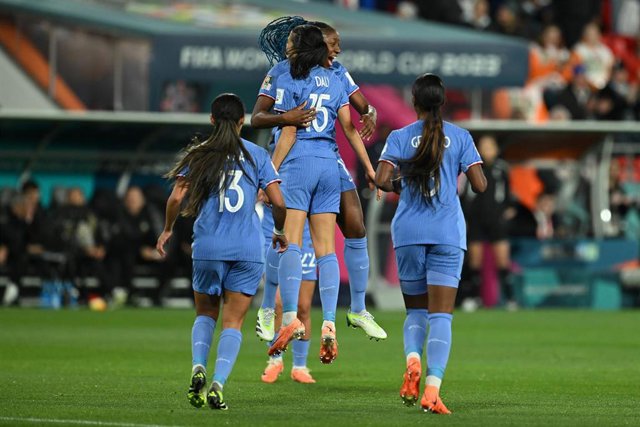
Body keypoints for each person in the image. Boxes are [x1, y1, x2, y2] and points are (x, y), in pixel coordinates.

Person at [252, 16, 386, 354]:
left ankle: (289, 318)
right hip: (329, 162)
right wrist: (369, 166)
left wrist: (268, 176)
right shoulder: (333, 79)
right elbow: (349, 126)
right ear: (320, 47)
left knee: (290, 244)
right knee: (327, 251)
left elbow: (287, 134)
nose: (338, 49)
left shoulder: (291, 79)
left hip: (297, 164)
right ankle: (328, 318)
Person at [156, 93, 287, 410]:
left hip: (208, 246)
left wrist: (169, 228)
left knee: (205, 314)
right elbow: (279, 202)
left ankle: (198, 366)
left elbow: (176, 199)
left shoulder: (200, 154)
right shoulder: (257, 155)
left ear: (212, 120)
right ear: (242, 121)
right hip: (247, 249)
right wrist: (280, 231)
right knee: (232, 323)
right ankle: (218, 384)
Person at [375, 74, 487, 414]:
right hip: (446, 234)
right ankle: (433, 390)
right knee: (442, 316)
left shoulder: (399, 137)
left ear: (414, 102)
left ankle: (412, 360)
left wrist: (400, 183)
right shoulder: (460, 136)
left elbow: (381, 180)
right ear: (443, 102)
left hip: (408, 233)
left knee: (416, 311)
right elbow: (480, 185)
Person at [461, 135, 516, 310]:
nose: (486, 150)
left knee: (503, 261)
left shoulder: (502, 169)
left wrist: (507, 210)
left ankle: (510, 299)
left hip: (496, 221)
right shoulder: (471, 167)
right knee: (474, 261)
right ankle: (473, 298)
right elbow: (465, 195)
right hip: (476, 220)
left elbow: (508, 194)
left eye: (490, 146)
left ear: (496, 149)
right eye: (483, 146)